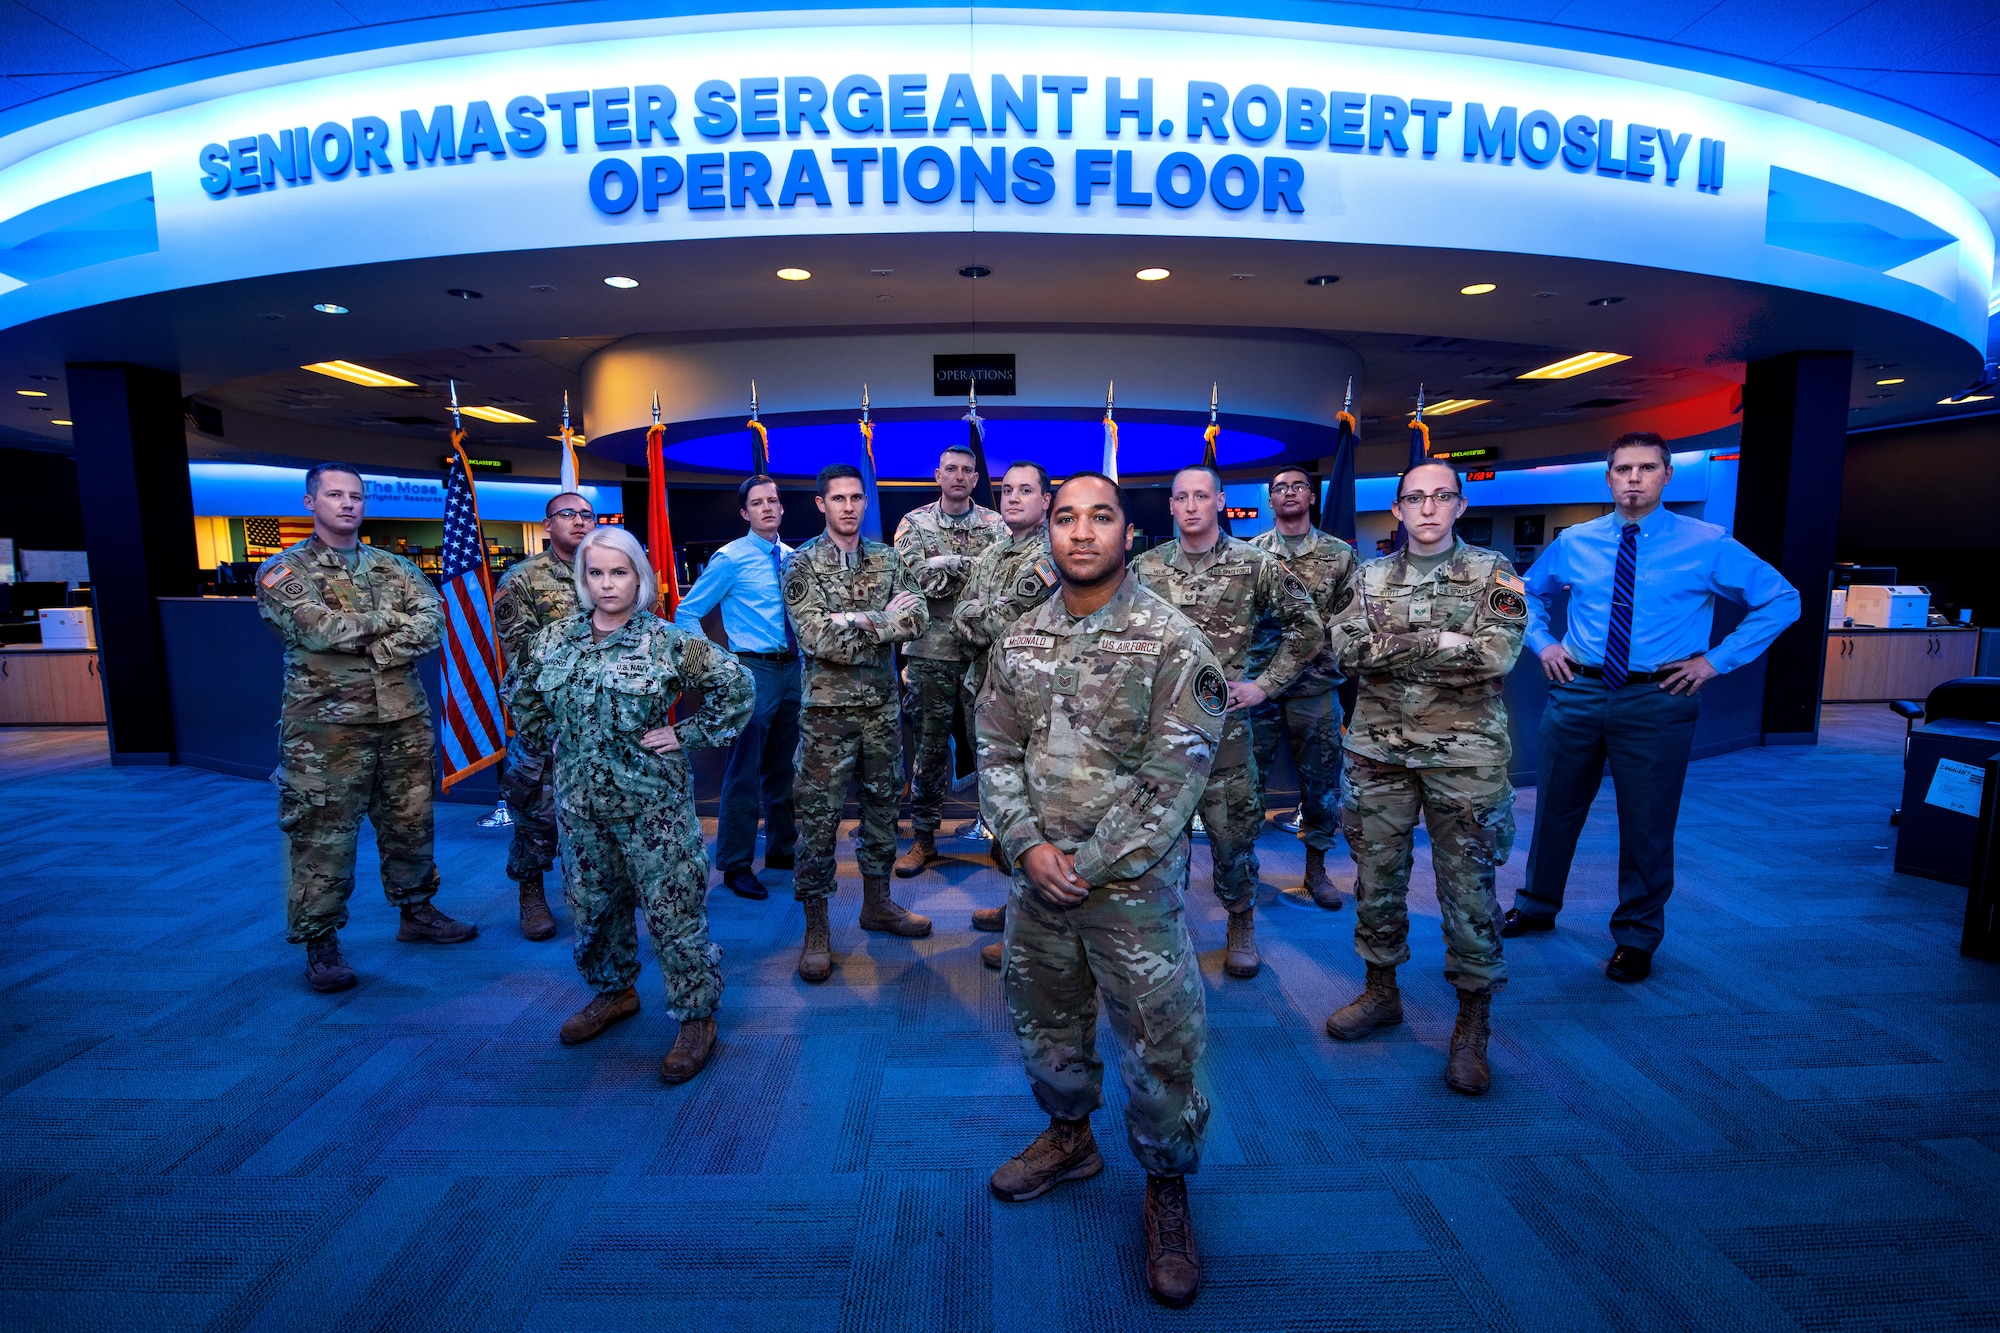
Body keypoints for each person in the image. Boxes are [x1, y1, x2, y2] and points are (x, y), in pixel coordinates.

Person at [978, 471, 1224, 1308]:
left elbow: (1175, 775)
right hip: (1036, 881)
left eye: (1100, 517)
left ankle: (1167, 1188)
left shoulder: (1172, 640)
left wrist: (1083, 859)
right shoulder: (1017, 639)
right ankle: (1070, 1136)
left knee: (1161, 1045)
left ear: (1130, 533)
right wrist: (1026, 845)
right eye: (1065, 518)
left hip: (1131, 891)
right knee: (1045, 1019)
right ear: (1048, 531)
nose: (1080, 532)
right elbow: (994, 752)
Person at [1505, 432, 1800, 982]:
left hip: (1658, 698)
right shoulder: (1575, 541)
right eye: (1623, 469)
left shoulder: (1708, 542)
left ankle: (1636, 937)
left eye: (1646, 468)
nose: (1634, 478)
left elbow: (1783, 599)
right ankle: (1538, 905)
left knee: (1646, 823)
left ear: (1667, 476)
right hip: (1578, 692)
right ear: (1609, 479)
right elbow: (1518, 594)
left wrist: (1715, 662)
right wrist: (1541, 642)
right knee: (1555, 811)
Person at [503, 526, 753, 1082]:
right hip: (581, 808)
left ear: (639, 577)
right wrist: (553, 735)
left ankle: (695, 1018)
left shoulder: (667, 641)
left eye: (620, 572)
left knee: (675, 918)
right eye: (596, 573)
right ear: (582, 578)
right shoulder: (553, 641)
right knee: (593, 910)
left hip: (652, 811)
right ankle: (613, 993)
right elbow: (520, 693)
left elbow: (735, 688)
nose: (607, 584)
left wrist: (685, 734)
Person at [1324, 459, 1524, 1096]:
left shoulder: (1494, 573)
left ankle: (1472, 1026)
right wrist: (1442, 640)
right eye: (1416, 498)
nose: (1429, 508)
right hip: (1379, 753)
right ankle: (1381, 993)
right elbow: (1348, 650)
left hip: (1465, 757)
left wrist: (1398, 643)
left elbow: (1497, 653)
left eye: (1442, 497)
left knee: (1468, 893)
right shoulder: (1370, 575)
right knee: (1377, 881)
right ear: (1399, 511)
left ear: (1460, 507)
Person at [257, 461, 476, 994]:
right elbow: (319, 629)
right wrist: (389, 626)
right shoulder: (283, 571)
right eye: (335, 495)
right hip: (325, 731)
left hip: (402, 718)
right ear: (312, 503)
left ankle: (416, 911)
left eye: (355, 495)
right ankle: (321, 942)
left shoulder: (393, 566)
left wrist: (366, 640)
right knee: (323, 831)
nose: (348, 504)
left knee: (410, 822)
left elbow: (434, 622)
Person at [1131, 463, 1322, 979]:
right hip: (1159, 736)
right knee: (1155, 839)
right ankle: (1161, 932)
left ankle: (1240, 923)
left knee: (1232, 837)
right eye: (1181, 497)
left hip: (1226, 734)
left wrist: (1264, 685)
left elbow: (1307, 627)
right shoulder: (1144, 568)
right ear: (1170, 506)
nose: (1191, 505)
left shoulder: (1254, 564)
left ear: (1219, 501)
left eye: (1201, 496)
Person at [784, 463, 933, 982]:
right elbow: (817, 640)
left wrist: (852, 620)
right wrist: (880, 621)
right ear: (821, 504)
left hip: (881, 713)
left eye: (856, 498)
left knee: (882, 811)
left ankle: (878, 904)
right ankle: (817, 927)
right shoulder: (802, 564)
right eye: (838, 499)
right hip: (825, 718)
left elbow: (919, 620)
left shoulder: (890, 559)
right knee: (820, 822)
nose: (849, 507)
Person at [951, 459, 1059, 968]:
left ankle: (1031, 929)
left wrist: (979, 617)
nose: (1013, 498)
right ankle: (1019, 902)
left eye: (1025, 490)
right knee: (1001, 807)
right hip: (987, 695)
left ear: (1046, 501)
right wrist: (979, 618)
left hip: (1034, 703)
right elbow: (962, 619)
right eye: (1006, 489)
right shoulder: (994, 551)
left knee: (1034, 810)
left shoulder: (1052, 553)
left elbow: (1000, 619)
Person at [673, 474, 802, 901]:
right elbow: (686, 613)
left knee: (785, 770)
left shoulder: (792, 557)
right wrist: (721, 664)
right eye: (758, 503)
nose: (768, 507)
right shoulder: (730, 559)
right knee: (744, 772)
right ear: (745, 512)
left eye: (774, 500)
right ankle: (735, 864)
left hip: (793, 671)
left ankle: (783, 850)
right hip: (751, 671)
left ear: (781, 508)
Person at [892, 444, 1009, 877]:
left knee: (993, 751)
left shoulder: (996, 523)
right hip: (930, 655)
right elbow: (913, 581)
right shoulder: (914, 523)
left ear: (976, 478)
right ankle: (923, 839)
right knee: (928, 750)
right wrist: (970, 567)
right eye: (950, 469)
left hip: (985, 656)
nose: (958, 476)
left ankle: (998, 837)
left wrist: (944, 564)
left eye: (967, 470)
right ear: (937, 474)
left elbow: (1000, 581)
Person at [1246, 466, 1358, 910]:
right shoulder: (1251, 553)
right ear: (1269, 500)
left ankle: (1316, 869)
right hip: (1260, 690)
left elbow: (1351, 618)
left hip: (1314, 686)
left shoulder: (1340, 554)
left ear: (1312, 497)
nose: (1289, 493)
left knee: (1320, 785)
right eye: (1279, 488)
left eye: (1297, 487)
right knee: (1247, 783)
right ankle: (1246, 869)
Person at [492, 492, 594, 940]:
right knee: (538, 812)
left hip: (605, 717)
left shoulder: (611, 569)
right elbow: (524, 657)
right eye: (567, 514)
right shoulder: (522, 580)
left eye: (587, 514)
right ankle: (531, 894)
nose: (579, 521)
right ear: (548, 525)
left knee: (600, 810)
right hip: (546, 718)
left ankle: (600, 890)